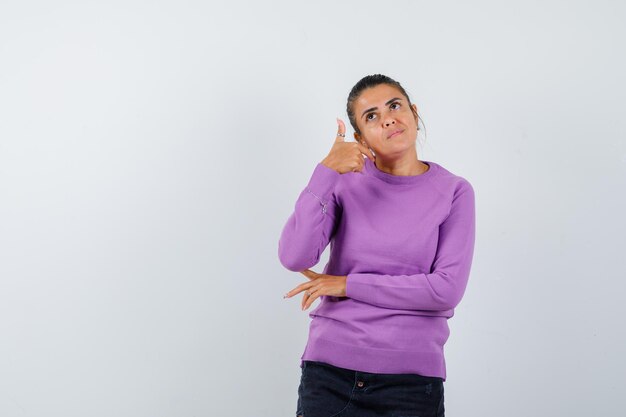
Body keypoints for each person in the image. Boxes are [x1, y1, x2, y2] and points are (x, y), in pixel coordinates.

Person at [278, 74, 476, 417]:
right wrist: (325, 172)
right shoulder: (343, 184)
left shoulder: (454, 192)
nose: (387, 118)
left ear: (413, 112)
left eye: (395, 105)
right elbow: (294, 255)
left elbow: (444, 290)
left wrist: (347, 284)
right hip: (329, 375)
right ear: (359, 137)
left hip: (411, 384)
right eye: (371, 116)